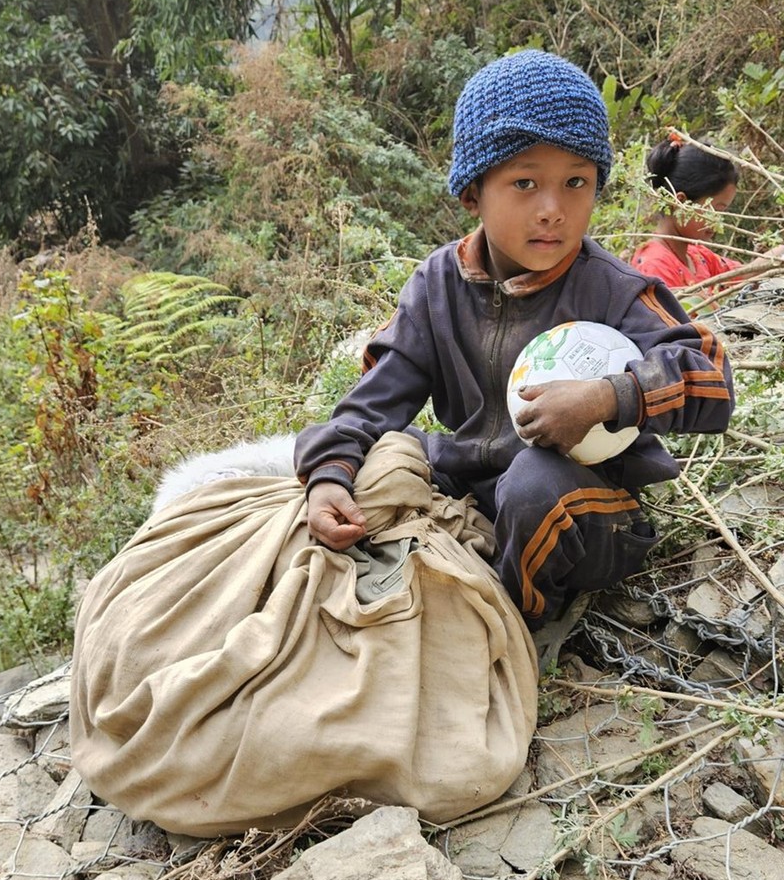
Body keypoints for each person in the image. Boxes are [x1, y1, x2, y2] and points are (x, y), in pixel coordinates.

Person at [294, 50, 735, 631]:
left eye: (576, 182)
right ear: (473, 193)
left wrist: (607, 397)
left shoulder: (615, 288)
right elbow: (376, 400)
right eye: (524, 182)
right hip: (474, 483)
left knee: (533, 485)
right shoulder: (436, 286)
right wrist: (329, 473)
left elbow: (710, 377)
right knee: (386, 455)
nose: (552, 210)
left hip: (589, 510)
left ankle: (513, 622)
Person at [630, 134, 743, 290]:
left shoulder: (698, 256)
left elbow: (745, 274)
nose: (719, 221)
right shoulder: (654, 267)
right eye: (716, 210)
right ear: (681, 202)